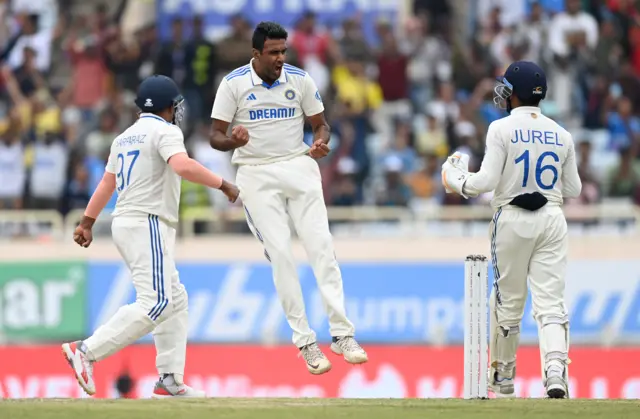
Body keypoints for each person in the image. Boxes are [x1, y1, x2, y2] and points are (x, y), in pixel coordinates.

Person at [62, 75, 239, 398]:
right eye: (177, 106)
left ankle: (169, 378)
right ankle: (86, 350)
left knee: (175, 299)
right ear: (169, 107)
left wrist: (87, 221)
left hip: (126, 223)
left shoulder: (124, 137)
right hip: (148, 222)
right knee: (157, 301)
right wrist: (223, 184)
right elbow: (182, 166)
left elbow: (106, 184)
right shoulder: (166, 131)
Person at [209, 21, 367, 375]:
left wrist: (321, 141)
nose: (280, 58)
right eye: (273, 52)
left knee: (321, 247)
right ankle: (306, 342)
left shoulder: (299, 79)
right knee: (281, 254)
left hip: (299, 165)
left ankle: (342, 334)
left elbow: (320, 124)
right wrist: (234, 141)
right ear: (256, 53)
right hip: (255, 171)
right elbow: (214, 136)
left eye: (284, 51)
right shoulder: (233, 84)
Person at [441, 61, 582, 399]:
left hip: (513, 218)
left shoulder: (501, 129)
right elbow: (573, 189)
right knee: (550, 303)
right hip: (551, 217)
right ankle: (555, 374)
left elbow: (485, 183)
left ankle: (504, 378)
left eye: (506, 86)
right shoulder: (562, 134)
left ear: (514, 92)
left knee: (508, 302)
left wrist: (455, 178)